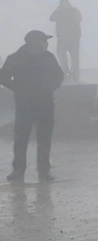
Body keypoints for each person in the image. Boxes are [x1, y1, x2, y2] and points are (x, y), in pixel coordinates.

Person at [0, 31, 64, 183]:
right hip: (25, 105)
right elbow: (3, 77)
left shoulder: (48, 57)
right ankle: (18, 172)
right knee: (21, 139)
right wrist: (17, 88)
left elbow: (59, 76)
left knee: (44, 139)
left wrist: (49, 87)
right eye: (44, 40)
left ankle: (43, 172)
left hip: (45, 104)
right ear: (35, 42)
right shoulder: (15, 58)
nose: (46, 43)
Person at [50, 0, 82, 82]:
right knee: (61, 55)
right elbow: (51, 18)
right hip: (63, 38)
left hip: (73, 38)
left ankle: (75, 73)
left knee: (74, 57)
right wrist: (58, 10)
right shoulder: (59, 11)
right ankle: (66, 71)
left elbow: (79, 19)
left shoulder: (74, 11)